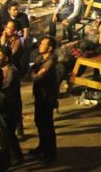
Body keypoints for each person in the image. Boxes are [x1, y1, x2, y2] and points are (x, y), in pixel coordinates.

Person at [29, 36, 58, 165]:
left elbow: (38, 77)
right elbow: (32, 71)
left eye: (43, 44)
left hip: (47, 97)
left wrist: (34, 74)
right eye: (40, 43)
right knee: (39, 122)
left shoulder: (50, 62)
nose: (40, 45)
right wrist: (34, 73)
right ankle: (42, 146)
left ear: (50, 48)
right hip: (39, 95)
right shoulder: (40, 58)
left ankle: (50, 153)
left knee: (47, 125)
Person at [0, 45, 23, 166]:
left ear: (6, 58)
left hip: (11, 107)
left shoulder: (11, 71)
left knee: (9, 133)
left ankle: (16, 156)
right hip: (5, 106)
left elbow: (5, 88)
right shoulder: (1, 69)